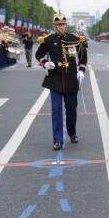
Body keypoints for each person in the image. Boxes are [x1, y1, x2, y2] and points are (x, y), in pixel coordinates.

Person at [35, 11, 88, 151]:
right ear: (54, 26)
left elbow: (83, 56)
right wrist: (45, 63)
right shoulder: (49, 39)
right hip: (55, 78)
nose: (62, 27)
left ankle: (72, 132)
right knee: (56, 110)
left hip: (71, 77)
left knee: (71, 108)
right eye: (59, 25)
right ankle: (57, 139)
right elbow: (38, 54)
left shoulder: (74, 39)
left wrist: (81, 70)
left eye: (64, 24)